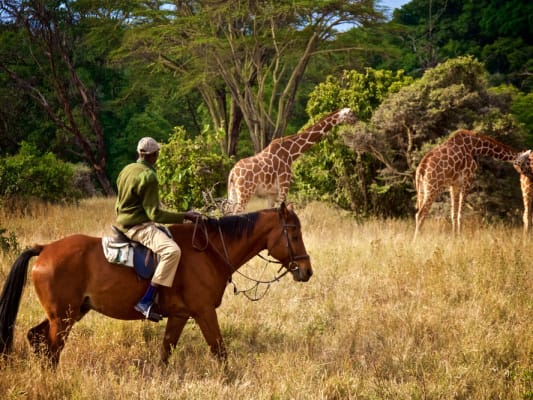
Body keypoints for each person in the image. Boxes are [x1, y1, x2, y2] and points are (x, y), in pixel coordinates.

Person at [115, 137, 199, 321]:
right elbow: (155, 214)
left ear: (139, 153)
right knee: (172, 251)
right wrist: (185, 216)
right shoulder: (149, 176)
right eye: (157, 154)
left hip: (123, 223)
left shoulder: (126, 170)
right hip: (139, 228)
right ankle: (146, 300)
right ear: (154, 155)